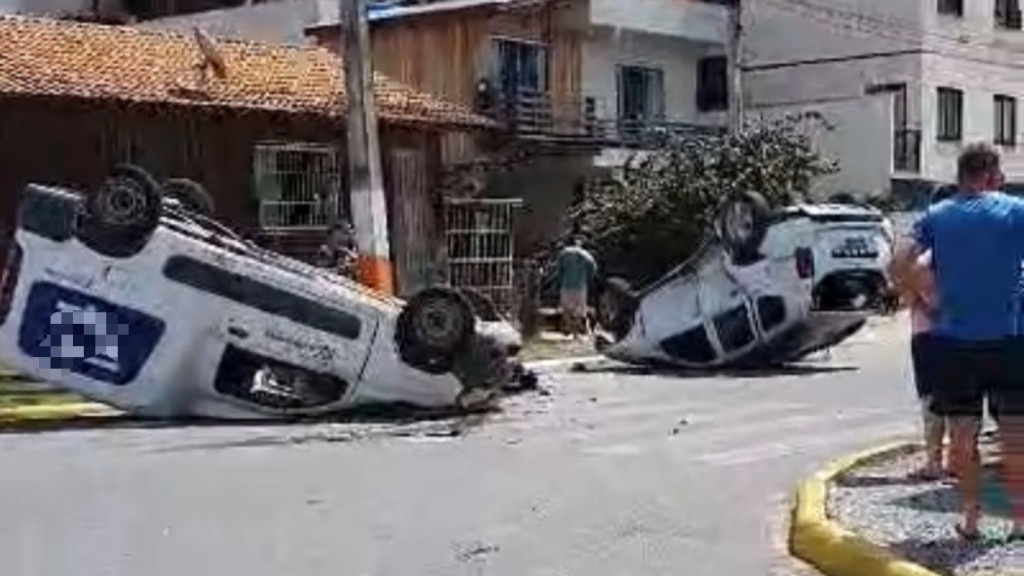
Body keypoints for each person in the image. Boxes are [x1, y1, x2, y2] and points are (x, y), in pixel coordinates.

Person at [888, 143, 1024, 540]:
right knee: (1015, 431)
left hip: (954, 341)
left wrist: (927, 297)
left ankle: (970, 518)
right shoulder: (1014, 210)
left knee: (962, 434)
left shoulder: (937, 215)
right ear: (992, 174)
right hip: (1010, 338)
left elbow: (898, 263)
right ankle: (1019, 520)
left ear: (961, 176)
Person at [906, 249, 948, 480]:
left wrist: (930, 305)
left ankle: (934, 462)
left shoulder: (929, 255)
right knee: (958, 398)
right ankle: (958, 459)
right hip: (961, 333)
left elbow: (913, 273)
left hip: (928, 334)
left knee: (931, 400)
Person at [556, 237, 598, 340]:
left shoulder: (563, 253)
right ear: (580, 244)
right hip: (580, 286)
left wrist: (560, 280)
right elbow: (593, 268)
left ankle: (569, 329)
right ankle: (576, 334)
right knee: (579, 310)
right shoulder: (586, 255)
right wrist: (587, 278)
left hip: (566, 285)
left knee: (566, 309)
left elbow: (559, 269)